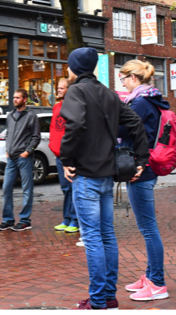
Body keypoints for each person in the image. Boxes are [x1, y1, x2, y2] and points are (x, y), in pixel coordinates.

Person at [60, 47, 148, 310]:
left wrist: (66, 159)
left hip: (85, 176)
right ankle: (108, 296)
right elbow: (136, 123)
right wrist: (142, 158)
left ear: (75, 67)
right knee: (107, 236)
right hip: (107, 177)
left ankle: (98, 300)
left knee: (93, 238)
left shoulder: (76, 90)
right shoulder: (110, 94)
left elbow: (74, 125)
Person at [117, 60, 169, 301]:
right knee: (148, 227)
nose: (123, 83)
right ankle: (150, 276)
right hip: (144, 167)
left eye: (124, 79)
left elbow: (124, 132)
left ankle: (157, 283)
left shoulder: (138, 102)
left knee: (148, 229)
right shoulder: (149, 99)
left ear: (134, 78)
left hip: (141, 169)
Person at [0, 89, 39, 232]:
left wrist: (27, 152)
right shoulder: (10, 116)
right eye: (14, 97)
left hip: (24, 158)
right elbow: (8, 134)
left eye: (17, 98)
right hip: (11, 159)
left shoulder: (31, 116)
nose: (14, 100)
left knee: (27, 189)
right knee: (6, 188)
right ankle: (7, 219)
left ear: (25, 99)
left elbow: (36, 137)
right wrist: (7, 151)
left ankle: (25, 220)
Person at [50, 78, 79, 234]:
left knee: (73, 188)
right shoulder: (56, 107)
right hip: (59, 155)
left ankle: (75, 220)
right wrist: (53, 147)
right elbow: (54, 129)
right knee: (65, 189)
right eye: (58, 88)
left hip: (70, 155)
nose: (59, 90)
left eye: (62, 88)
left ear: (69, 89)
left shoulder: (74, 107)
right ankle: (67, 218)